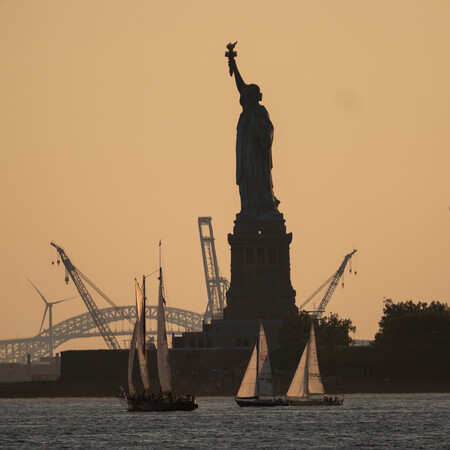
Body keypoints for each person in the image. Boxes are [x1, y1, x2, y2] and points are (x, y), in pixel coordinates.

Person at [226, 43, 280, 218]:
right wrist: (232, 62)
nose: (243, 96)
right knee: (246, 183)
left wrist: (261, 136)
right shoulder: (246, 113)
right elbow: (241, 86)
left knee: (256, 181)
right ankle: (248, 210)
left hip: (256, 159)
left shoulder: (259, 112)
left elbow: (268, 131)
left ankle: (262, 210)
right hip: (245, 157)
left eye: (247, 94)